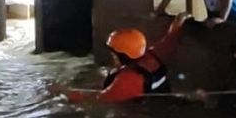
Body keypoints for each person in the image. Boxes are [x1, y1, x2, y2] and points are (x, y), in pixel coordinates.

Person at [57, 13, 190, 103]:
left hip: (149, 114)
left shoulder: (129, 79)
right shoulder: (153, 55)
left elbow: (96, 102)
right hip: (167, 101)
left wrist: (65, 92)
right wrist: (178, 22)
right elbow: (170, 39)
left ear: (122, 55)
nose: (112, 55)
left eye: (113, 52)